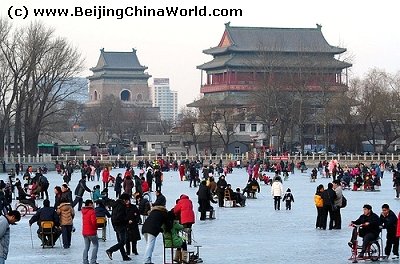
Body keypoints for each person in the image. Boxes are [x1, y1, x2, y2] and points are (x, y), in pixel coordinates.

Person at [106, 193, 131, 261]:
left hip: (115, 225)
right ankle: (110, 250)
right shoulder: (122, 206)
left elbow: (113, 216)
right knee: (122, 241)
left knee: (120, 241)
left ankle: (124, 256)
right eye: (127, 200)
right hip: (120, 225)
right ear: (124, 200)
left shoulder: (116, 204)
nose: (128, 202)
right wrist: (126, 221)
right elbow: (120, 217)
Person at [82, 199, 99, 264]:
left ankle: (85, 261)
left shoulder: (84, 211)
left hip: (85, 232)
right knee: (95, 245)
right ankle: (93, 261)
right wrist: (95, 228)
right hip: (91, 232)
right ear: (90, 204)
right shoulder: (92, 211)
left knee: (86, 247)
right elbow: (93, 222)